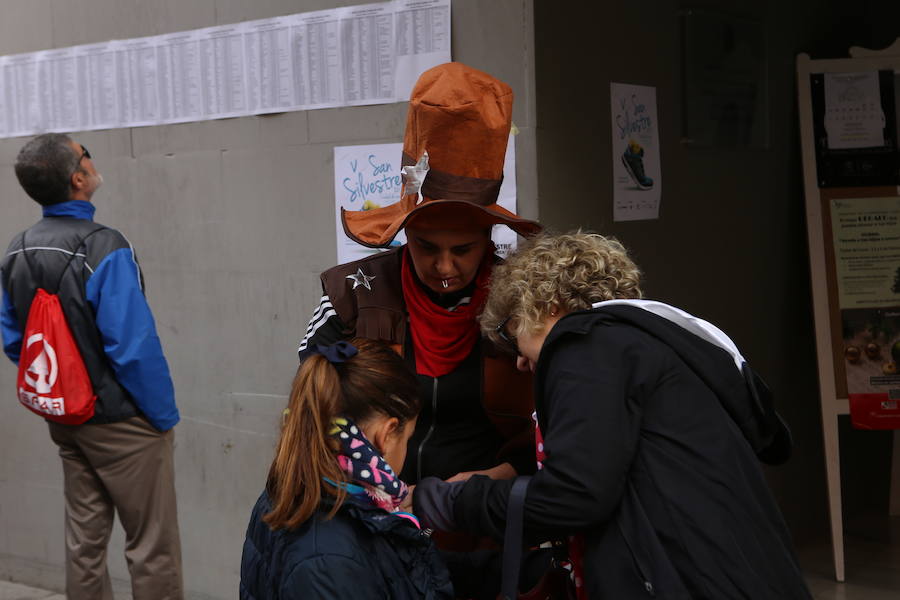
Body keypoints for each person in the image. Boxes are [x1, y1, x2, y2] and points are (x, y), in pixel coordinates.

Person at [414, 232, 813, 599]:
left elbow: (575, 496)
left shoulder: (586, 348)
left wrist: (448, 500)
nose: (518, 360)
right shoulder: (642, 346)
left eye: (509, 332)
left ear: (544, 304)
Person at [298, 62, 542, 486]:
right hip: (378, 514)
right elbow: (313, 410)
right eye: (427, 247)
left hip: (488, 518)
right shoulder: (352, 297)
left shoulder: (526, 304)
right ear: (405, 233)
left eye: (463, 250)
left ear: (489, 236)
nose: (444, 268)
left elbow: (559, 424)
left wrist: (492, 481)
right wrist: (380, 486)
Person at [1, 134, 182, 600]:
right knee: (152, 548)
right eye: (86, 154)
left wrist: (60, 390)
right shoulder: (105, 247)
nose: (92, 158)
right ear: (78, 178)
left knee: (84, 543)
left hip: (66, 420)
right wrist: (160, 417)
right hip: (124, 423)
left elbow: (14, 339)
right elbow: (133, 347)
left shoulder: (17, 249)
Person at [240, 338, 453, 599]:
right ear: (385, 435)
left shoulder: (295, 488)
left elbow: (393, 572)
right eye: (408, 438)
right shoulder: (328, 560)